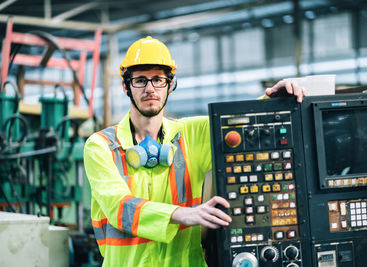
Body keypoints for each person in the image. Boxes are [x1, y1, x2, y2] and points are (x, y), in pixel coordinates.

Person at [83, 36, 306, 267]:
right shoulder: (101, 146)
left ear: (170, 85)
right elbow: (119, 206)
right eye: (140, 80)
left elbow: (243, 127)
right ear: (126, 86)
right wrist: (183, 214)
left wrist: (271, 102)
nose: (150, 89)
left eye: (158, 79)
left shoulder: (190, 135)